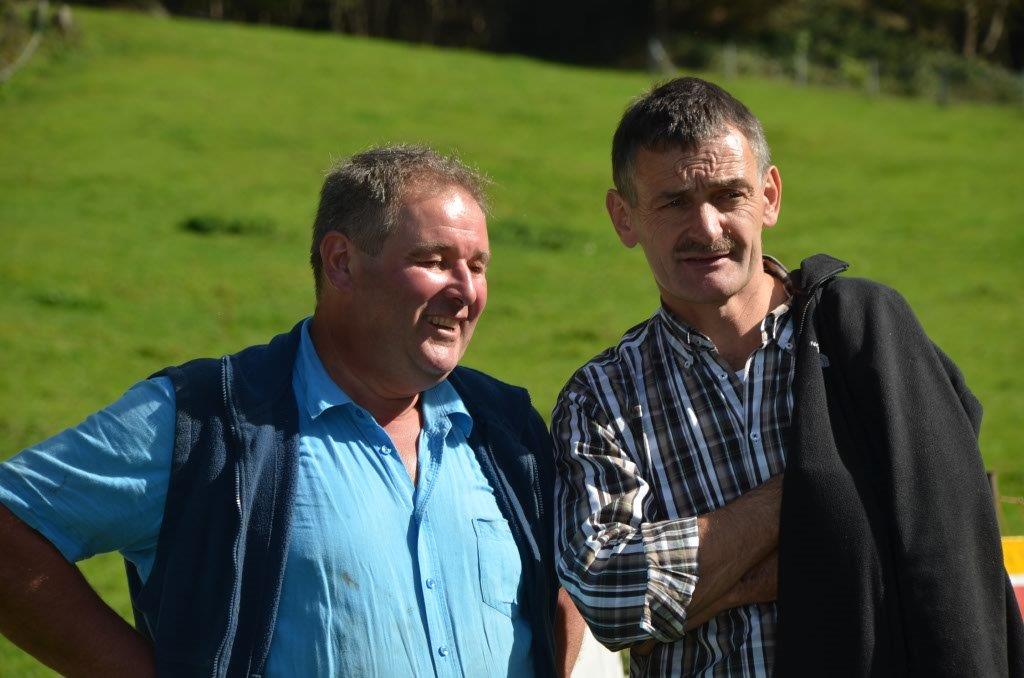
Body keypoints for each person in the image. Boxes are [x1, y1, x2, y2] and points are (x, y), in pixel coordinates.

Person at [0, 144, 584, 677]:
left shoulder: (509, 430)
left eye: (477, 266)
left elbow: (569, 585)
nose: (466, 292)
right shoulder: (208, 421)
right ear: (341, 262)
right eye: (434, 260)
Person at [551, 77, 1023, 676]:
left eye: (729, 195)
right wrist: (826, 487)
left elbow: (948, 530)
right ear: (624, 218)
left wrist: (693, 596)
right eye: (673, 202)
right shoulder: (600, 398)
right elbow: (610, 600)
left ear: (769, 196)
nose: (707, 227)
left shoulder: (863, 338)